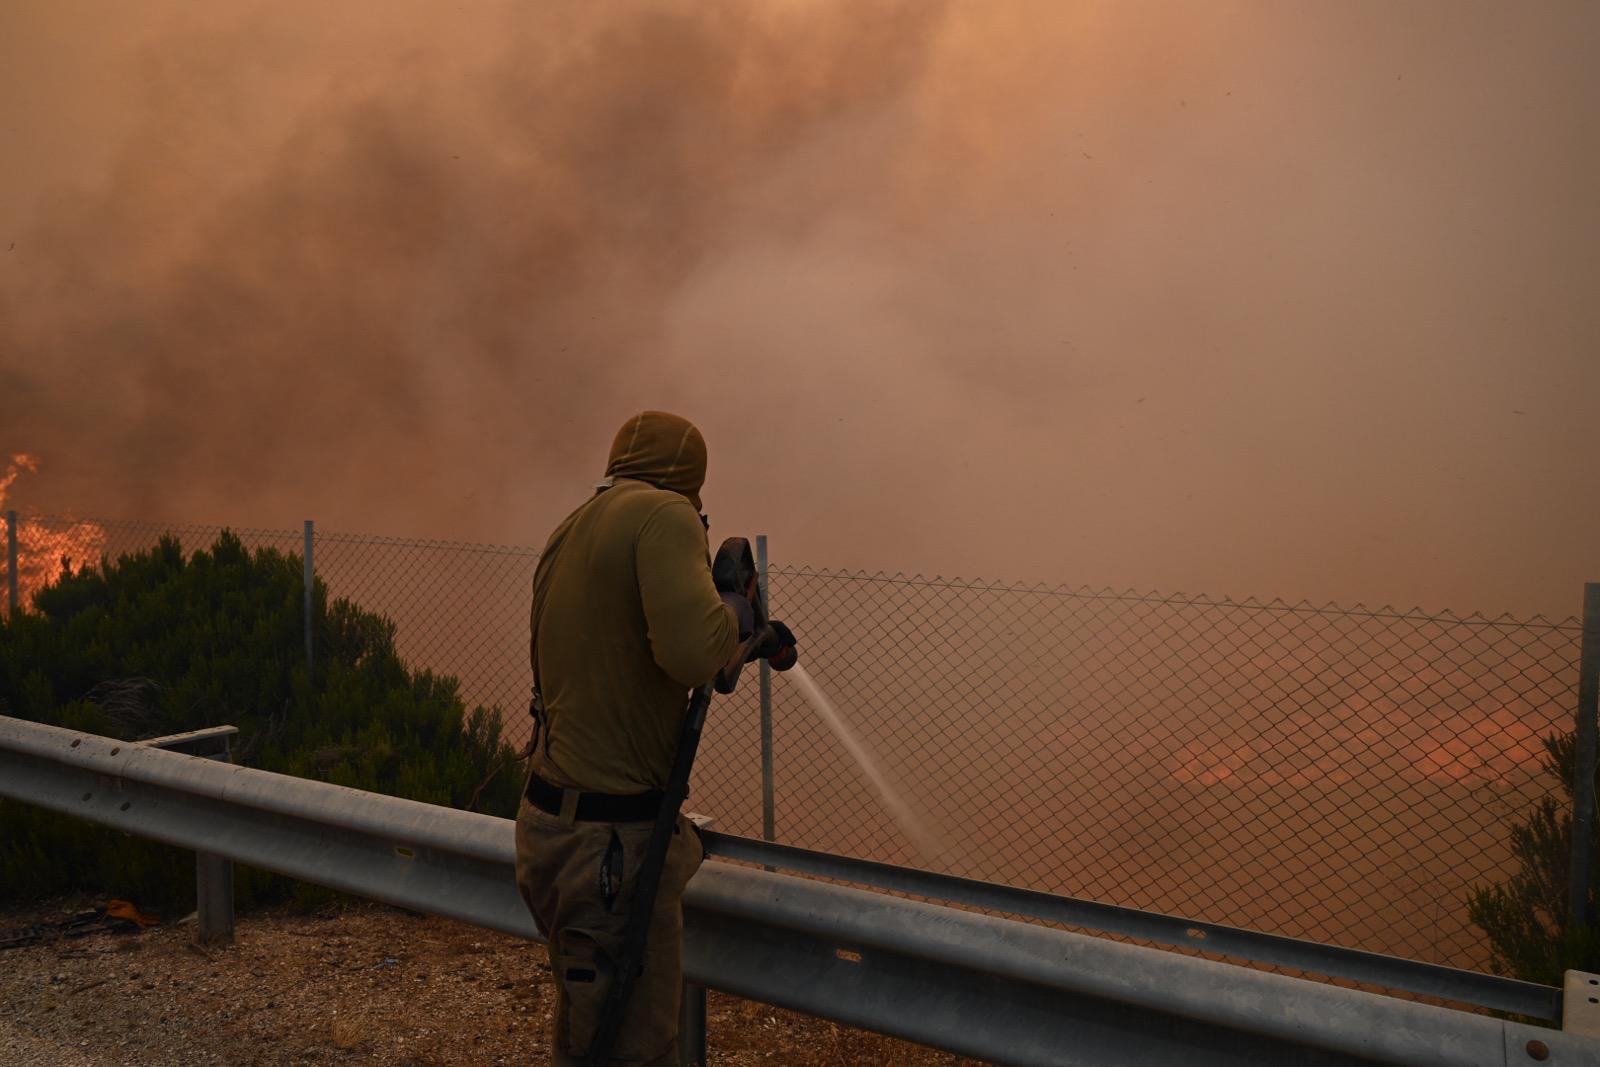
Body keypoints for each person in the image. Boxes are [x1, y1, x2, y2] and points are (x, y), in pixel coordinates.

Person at [515, 410, 793, 1067]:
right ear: (689, 478)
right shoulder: (663, 516)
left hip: (553, 833)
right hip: (612, 852)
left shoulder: (574, 527)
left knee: (589, 1040)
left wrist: (745, 638)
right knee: (634, 1050)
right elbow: (696, 654)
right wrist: (733, 608)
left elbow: (653, 659)